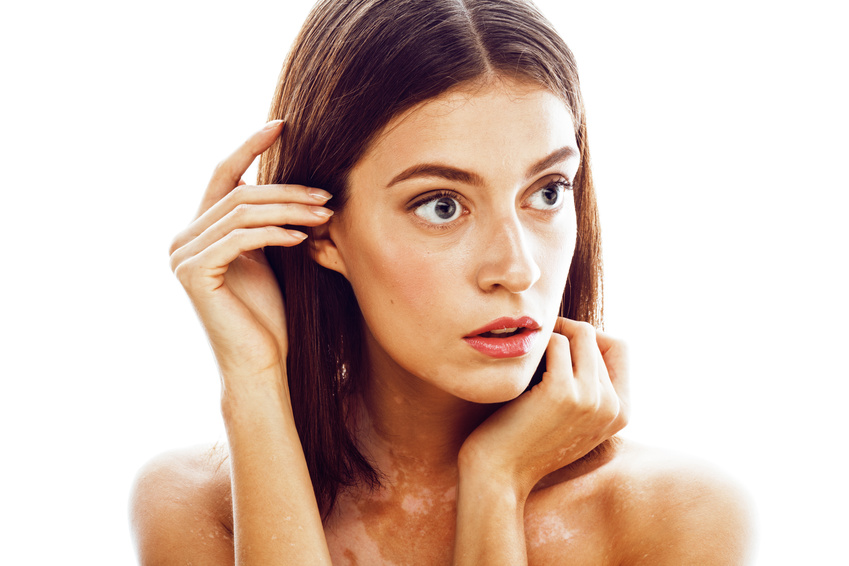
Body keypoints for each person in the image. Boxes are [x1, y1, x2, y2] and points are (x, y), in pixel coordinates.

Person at [130, 0, 752, 563]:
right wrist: (253, 379)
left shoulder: (678, 515)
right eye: (442, 205)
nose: (517, 268)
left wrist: (497, 481)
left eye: (547, 191)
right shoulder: (196, 507)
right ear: (321, 231)